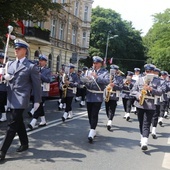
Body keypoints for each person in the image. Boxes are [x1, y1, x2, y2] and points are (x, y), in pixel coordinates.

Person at [0, 39, 41, 161]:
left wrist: (37, 101)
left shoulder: (31, 66)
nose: (16, 50)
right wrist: (3, 76)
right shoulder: (10, 64)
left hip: (22, 98)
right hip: (11, 97)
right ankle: (25, 143)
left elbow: (37, 85)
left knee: (12, 124)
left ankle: (2, 151)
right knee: (18, 122)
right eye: (15, 48)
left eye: (18, 49)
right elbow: (6, 81)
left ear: (25, 51)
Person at [131, 64, 165, 151]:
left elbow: (160, 92)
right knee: (141, 122)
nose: (148, 73)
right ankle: (142, 137)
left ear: (153, 72)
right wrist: (138, 95)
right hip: (140, 104)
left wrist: (151, 89)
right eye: (147, 71)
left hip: (151, 104)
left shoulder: (158, 81)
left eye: (150, 71)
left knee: (146, 123)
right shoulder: (140, 79)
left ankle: (145, 141)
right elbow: (133, 91)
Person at [81, 56, 109, 143]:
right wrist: (85, 79)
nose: (95, 65)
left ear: (100, 64)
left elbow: (106, 81)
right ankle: (92, 129)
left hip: (98, 96)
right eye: (94, 63)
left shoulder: (105, 72)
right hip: (89, 94)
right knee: (89, 114)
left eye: (96, 63)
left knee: (94, 114)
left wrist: (96, 77)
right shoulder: (89, 71)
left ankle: (92, 131)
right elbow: (83, 80)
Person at [28, 54, 51, 130]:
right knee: (40, 106)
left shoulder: (47, 70)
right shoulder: (36, 68)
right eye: (40, 60)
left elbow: (48, 80)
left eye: (42, 61)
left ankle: (33, 122)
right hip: (35, 90)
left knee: (38, 106)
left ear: (45, 62)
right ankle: (43, 121)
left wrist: (40, 75)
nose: (40, 62)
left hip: (43, 91)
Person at [104, 64, 123, 130]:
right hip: (107, 94)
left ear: (117, 71)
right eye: (112, 70)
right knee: (107, 109)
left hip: (114, 95)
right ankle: (109, 119)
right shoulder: (106, 76)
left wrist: (114, 86)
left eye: (115, 70)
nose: (114, 71)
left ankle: (110, 121)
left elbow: (121, 87)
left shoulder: (119, 78)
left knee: (112, 109)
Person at [0, 52, 7, 122]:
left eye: (2, 58)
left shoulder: (7, 67)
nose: (1, 60)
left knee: (2, 102)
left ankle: (4, 116)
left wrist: (4, 75)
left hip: (4, 86)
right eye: (1, 59)